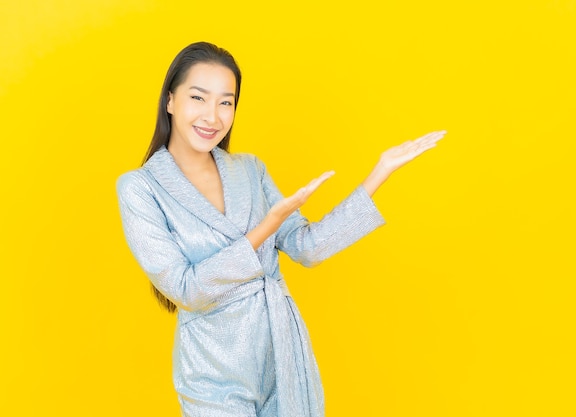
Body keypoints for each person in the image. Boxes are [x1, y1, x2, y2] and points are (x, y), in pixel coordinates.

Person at [117, 41, 445, 417]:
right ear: (170, 100)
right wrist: (266, 226)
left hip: (284, 356)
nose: (213, 116)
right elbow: (187, 290)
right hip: (213, 372)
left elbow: (308, 247)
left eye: (226, 102)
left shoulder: (249, 169)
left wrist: (379, 173)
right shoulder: (140, 187)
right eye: (198, 97)